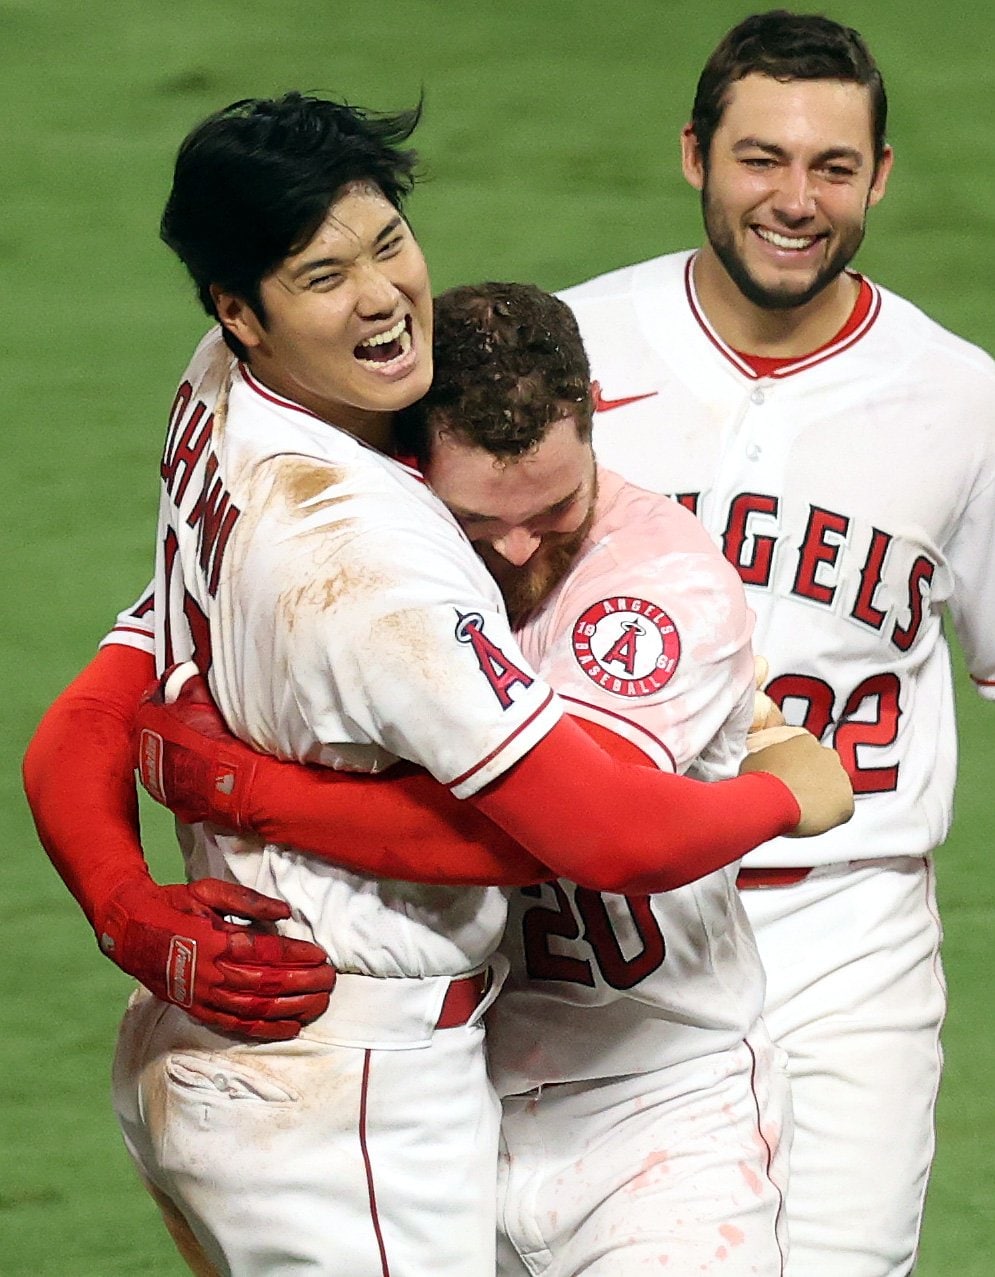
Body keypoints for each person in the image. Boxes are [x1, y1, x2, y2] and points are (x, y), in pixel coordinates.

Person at [22, 93, 852, 1277]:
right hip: (342, 1081)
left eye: (386, 244)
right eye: (320, 275)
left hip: (224, 1044)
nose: (374, 294)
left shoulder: (223, 398)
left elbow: (103, 698)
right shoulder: (369, 549)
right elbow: (591, 833)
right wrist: (786, 790)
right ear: (238, 310)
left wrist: (134, 893)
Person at [139, 278, 801, 1276]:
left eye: (552, 507)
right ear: (411, 460)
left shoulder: (654, 581)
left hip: (653, 1108)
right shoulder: (365, 548)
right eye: (480, 521)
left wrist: (244, 789)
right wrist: (122, 901)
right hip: (451, 1096)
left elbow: (559, 836)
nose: (521, 549)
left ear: (591, 411)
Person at [553, 11, 994, 1275]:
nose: (793, 200)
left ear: (878, 175)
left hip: (848, 947)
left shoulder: (958, 396)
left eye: (831, 166)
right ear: (694, 154)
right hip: (606, 943)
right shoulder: (567, 350)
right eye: (760, 159)